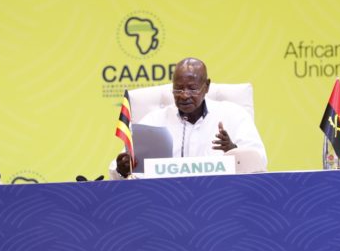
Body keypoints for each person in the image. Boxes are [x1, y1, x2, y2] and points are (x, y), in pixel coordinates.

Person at [111, 57, 267, 179]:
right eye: (178, 89)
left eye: (192, 89)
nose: (184, 95)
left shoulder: (233, 115)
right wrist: (123, 169)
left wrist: (234, 151)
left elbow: (259, 163)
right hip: (167, 203)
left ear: (206, 86)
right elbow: (122, 168)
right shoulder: (154, 121)